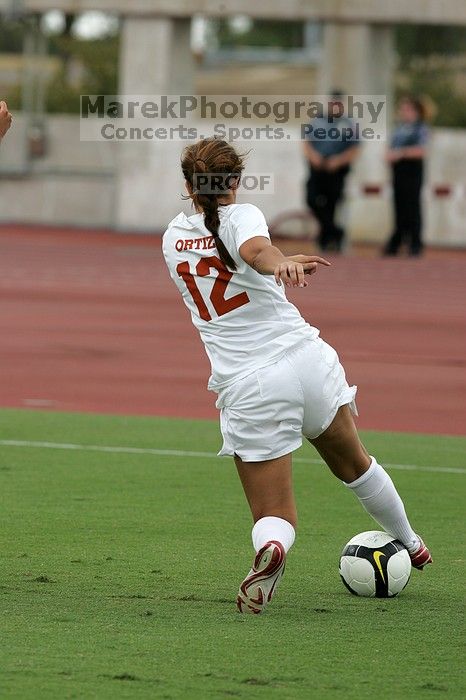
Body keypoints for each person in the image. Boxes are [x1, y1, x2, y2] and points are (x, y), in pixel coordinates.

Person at [162, 137, 432, 615]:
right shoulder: (242, 215)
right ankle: (410, 542)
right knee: (356, 464)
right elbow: (255, 249)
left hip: (253, 385)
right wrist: (280, 262)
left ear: (188, 186)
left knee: (275, 515)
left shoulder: (171, 239)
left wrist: (273, 260)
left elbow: (249, 251)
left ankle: (275, 552)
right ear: (235, 183)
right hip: (308, 359)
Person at [303, 90, 359, 252]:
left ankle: (327, 241)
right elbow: (306, 142)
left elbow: (354, 148)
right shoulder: (317, 121)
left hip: (337, 170)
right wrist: (314, 157)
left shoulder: (349, 124)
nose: (335, 107)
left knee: (332, 204)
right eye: (333, 104)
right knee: (311, 199)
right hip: (317, 168)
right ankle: (335, 232)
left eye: (338, 104)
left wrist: (339, 160)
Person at [383, 96, 429, 257]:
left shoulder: (420, 128)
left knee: (412, 208)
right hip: (399, 172)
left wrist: (401, 153)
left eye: (407, 109)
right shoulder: (399, 128)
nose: (404, 112)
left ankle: (415, 243)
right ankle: (398, 240)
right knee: (399, 208)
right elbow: (390, 149)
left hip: (412, 172)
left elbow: (422, 150)